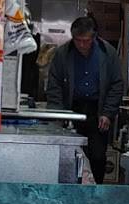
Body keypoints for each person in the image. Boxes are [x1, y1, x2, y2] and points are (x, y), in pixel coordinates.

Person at [46, 15, 124, 184]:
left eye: (86, 41)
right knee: (69, 154)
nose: (81, 45)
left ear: (94, 37)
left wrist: (108, 113)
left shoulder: (107, 52)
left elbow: (116, 84)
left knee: (97, 156)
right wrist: (59, 113)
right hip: (72, 109)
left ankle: (95, 190)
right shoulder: (63, 53)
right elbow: (54, 84)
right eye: (78, 40)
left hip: (98, 110)